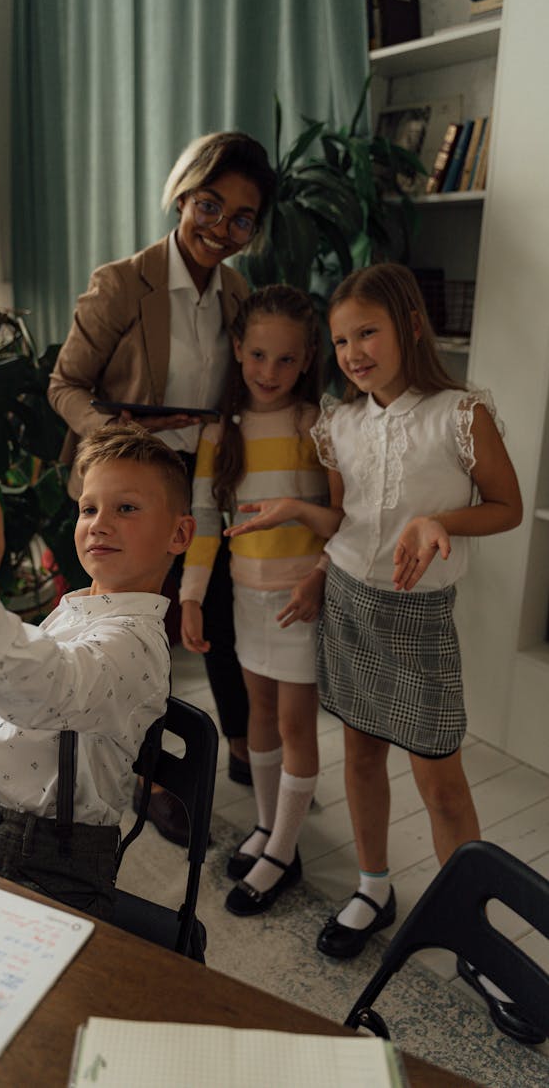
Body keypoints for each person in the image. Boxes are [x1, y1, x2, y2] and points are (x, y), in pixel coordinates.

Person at [227, 263, 541, 1045]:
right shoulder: (339, 426)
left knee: (441, 782)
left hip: (420, 615)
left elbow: (505, 508)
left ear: (410, 325)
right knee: (360, 757)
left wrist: (440, 522)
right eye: (340, 340)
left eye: (367, 331)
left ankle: (472, 927)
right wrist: (308, 536)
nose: (353, 351)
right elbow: (349, 520)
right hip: (352, 608)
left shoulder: (461, 415)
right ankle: (374, 888)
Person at [48, 131, 277, 845]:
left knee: (217, 619)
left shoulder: (238, 294)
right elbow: (65, 384)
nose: (221, 228)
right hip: (125, 485)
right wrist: (120, 436)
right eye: (210, 203)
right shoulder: (124, 282)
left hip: (201, 489)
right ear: (182, 194)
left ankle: (239, 748)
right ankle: (144, 776)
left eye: (242, 217)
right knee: (134, 638)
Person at [0, 424, 195, 920]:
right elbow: (1, 698)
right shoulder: (72, 611)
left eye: (126, 508)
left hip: (55, 860)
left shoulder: (135, 646)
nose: (100, 523)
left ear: (179, 534)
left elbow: (46, 691)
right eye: (89, 508)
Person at [179, 285, 341, 916]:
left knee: (297, 727)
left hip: (300, 601)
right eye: (257, 356)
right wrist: (192, 597)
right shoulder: (223, 432)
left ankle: (282, 850)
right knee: (258, 720)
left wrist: (320, 577)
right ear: (238, 352)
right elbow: (204, 518)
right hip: (246, 598)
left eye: (285, 360)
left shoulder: (317, 425)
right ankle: (273, 831)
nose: (268, 373)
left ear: (306, 361)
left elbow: (343, 517)